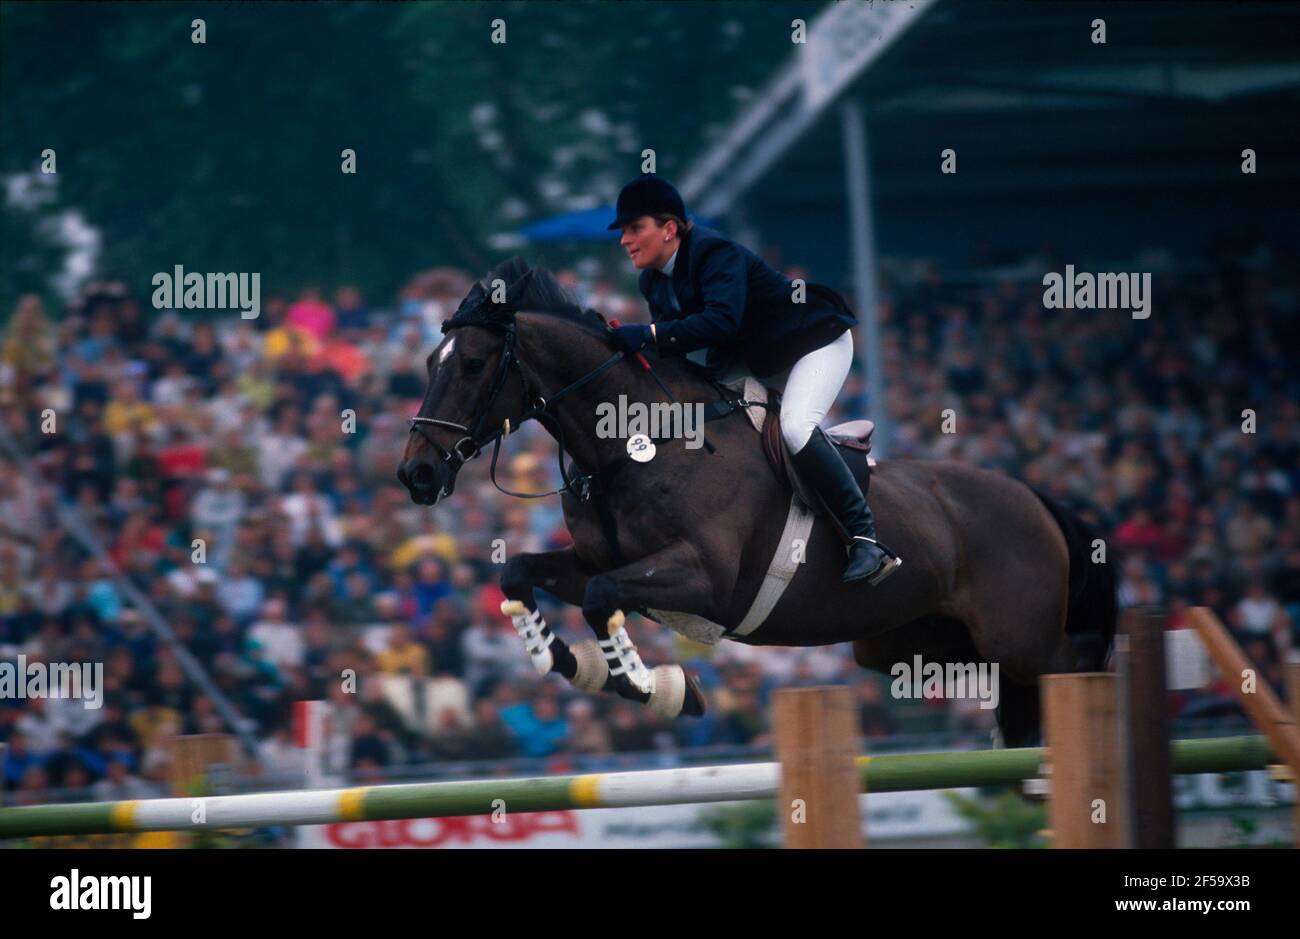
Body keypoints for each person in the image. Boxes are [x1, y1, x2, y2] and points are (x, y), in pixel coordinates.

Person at [607, 175, 900, 585]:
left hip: (811, 345)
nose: (625, 240)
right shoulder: (652, 280)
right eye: (623, 231)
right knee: (700, 417)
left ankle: (865, 538)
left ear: (669, 228)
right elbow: (678, 345)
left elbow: (720, 321)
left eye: (635, 228)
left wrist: (650, 336)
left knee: (796, 427)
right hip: (755, 357)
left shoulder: (714, 252)